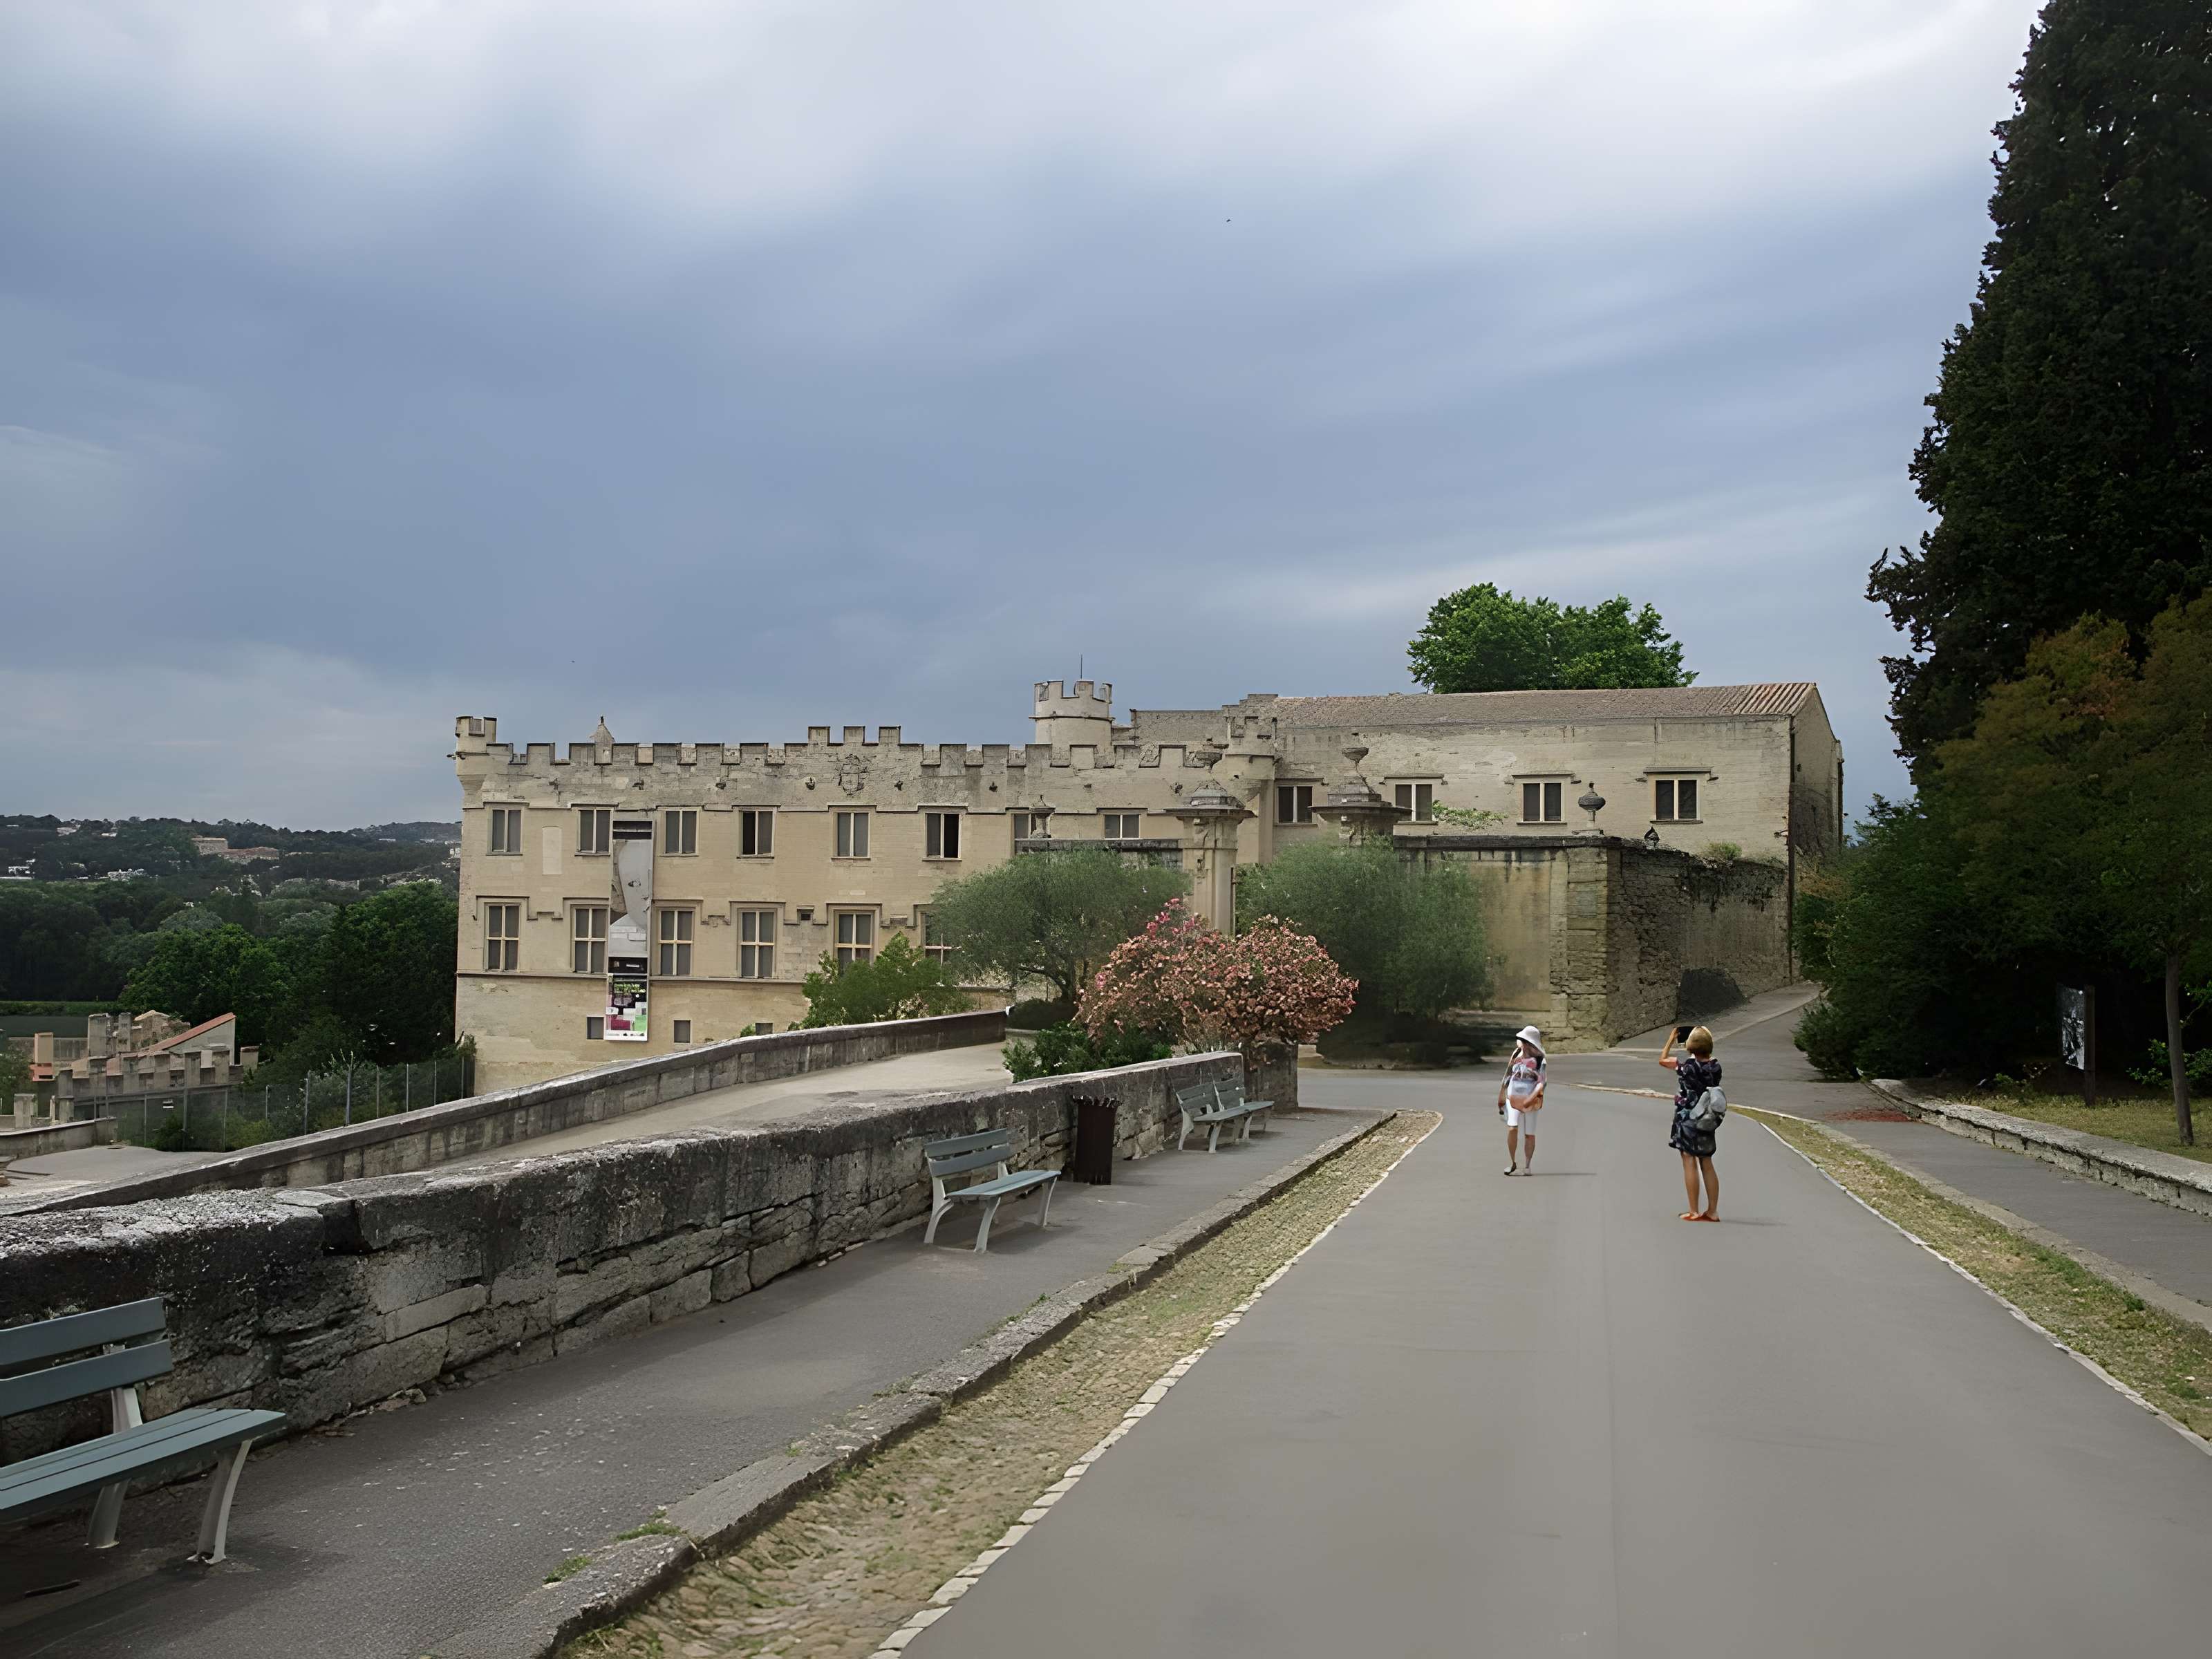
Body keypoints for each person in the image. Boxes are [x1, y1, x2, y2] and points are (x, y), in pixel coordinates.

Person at [1661, 1023, 1722, 1220]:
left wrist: (1671, 1040)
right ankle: (1712, 1211)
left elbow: (1662, 1060)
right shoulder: (1715, 1067)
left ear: (1690, 1046)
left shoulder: (1686, 1067)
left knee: (1689, 1161)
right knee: (1707, 1161)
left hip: (1687, 1118)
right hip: (1707, 1117)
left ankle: (1694, 1211)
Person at [1497, 1025, 1546, 1175]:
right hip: (1513, 1097)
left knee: (1529, 1134)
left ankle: (1527, 1165)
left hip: (1532, 1100)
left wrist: (1530, 1099)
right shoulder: (1517, 1053)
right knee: (1512, 1127)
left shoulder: (1541, 1058)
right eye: (1522, 1041)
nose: (1522, 1044)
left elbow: (1542, 1082)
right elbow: (1508, 1074)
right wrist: (1501, 1095)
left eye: (1525, 1041)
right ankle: (1512, 1163)